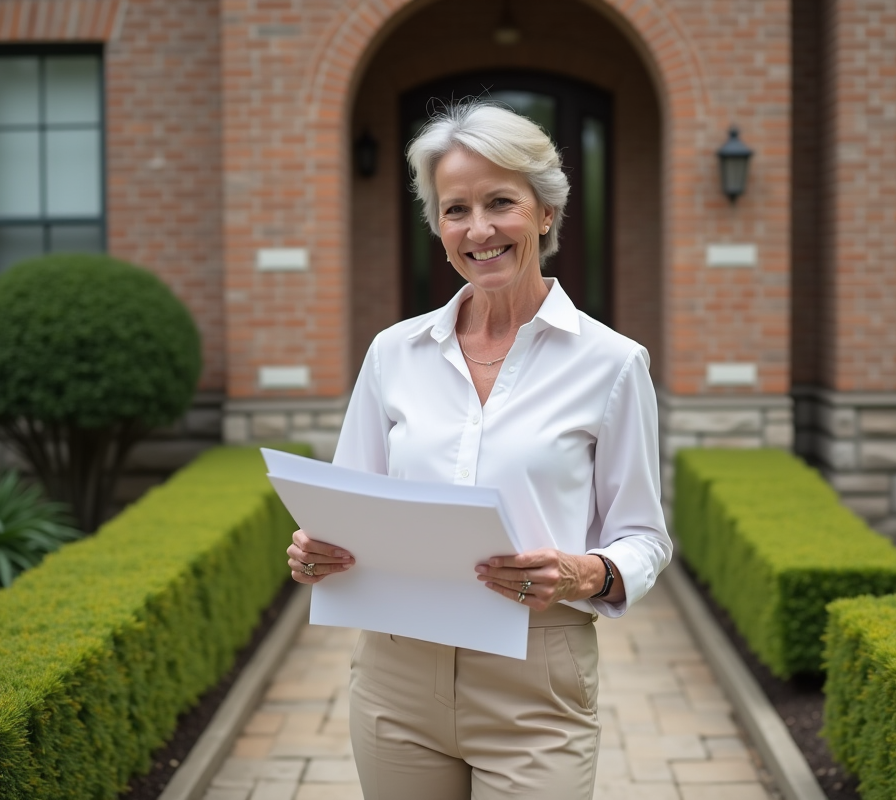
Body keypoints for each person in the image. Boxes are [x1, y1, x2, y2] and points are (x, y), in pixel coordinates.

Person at [286, 101, 672, 799]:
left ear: (546, 212)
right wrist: (317, 551)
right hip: (395, 677)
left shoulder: (612, 364)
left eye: (501, 203)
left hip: (537, 675)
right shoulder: (392, 354)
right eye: (456, 209)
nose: (480, 229)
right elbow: (345, 506)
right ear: (438, 226)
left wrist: (587, 572)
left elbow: (644, 536)